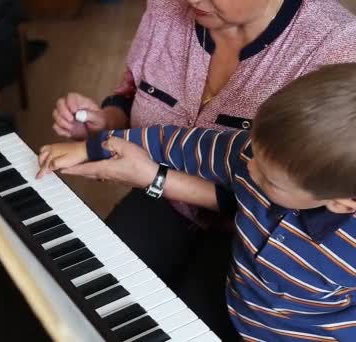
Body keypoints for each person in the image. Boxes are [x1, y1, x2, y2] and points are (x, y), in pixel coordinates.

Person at [48, 0, 356, 338]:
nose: (191, 0)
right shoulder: (247, 152)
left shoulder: (340, 47)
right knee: (89, 294)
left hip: (238, 238)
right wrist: (100, 131)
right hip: (174, 208)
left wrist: (154, 178)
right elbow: (150, 109)